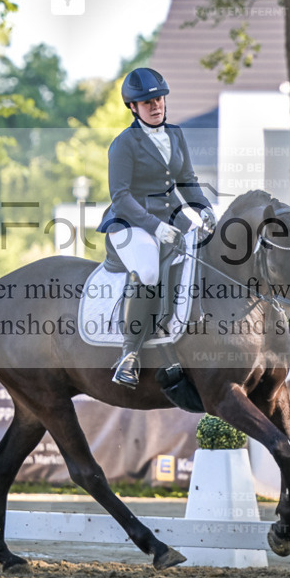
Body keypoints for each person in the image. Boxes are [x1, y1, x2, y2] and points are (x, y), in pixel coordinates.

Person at [97, 67, 216, 388]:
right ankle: (129, 355)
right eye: (147, 102)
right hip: (129, 224)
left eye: (159, 99)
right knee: (149, 271)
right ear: (133, 108)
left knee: (203, 257)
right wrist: (155, 227)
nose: (156, 106)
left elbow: (187, 181)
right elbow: (120, 198)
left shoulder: (175, 134)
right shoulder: (123, 144)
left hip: (171, 221)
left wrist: (204, 209)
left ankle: (179, 339)